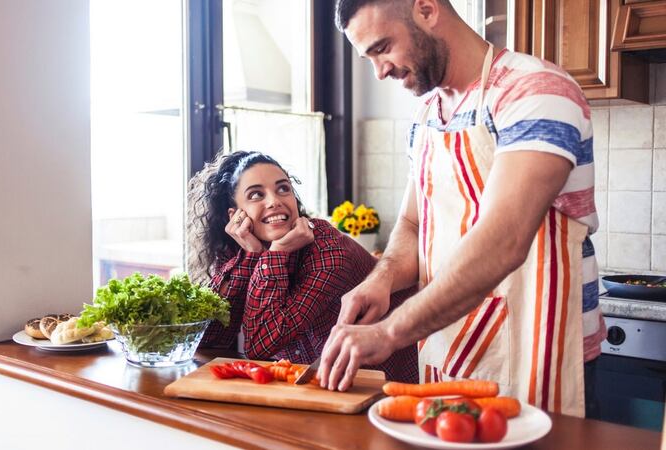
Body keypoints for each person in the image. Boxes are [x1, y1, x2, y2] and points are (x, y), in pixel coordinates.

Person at [317, 0, 606, 418]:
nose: (379, 71)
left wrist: (390, 331)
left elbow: (503, 241)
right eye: (369, 58)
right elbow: (414, 224)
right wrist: (380, 280)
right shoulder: (426, 116)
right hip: (449, 353)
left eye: (382, 48)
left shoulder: (535, 89)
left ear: (427, 10)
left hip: (542, 354)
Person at [188, 150, 418, 382]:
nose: (275, 201)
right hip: (327, 389)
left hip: (393, 384)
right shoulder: (242, 251)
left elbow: (261, 345)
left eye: (283, 189)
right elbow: (206, 338)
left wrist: (276, 253)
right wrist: (252, 256)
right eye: (257, 194)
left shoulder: (327, 248)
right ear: (235, 215)